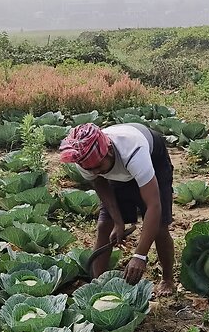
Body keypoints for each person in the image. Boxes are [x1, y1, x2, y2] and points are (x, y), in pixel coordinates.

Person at [59, 122, 177, 296]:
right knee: (104, 225)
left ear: (110, 151)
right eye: (90, 169)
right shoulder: (83, 158)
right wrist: (118, 221)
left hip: (153, 158)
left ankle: (168, 279)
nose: (95, 171)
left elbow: (154, 205)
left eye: (98, 166)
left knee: (159, 227)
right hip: (118, 167)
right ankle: (97, 285)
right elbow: (100, 183)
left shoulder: (133, 150)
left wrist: (140, 256)